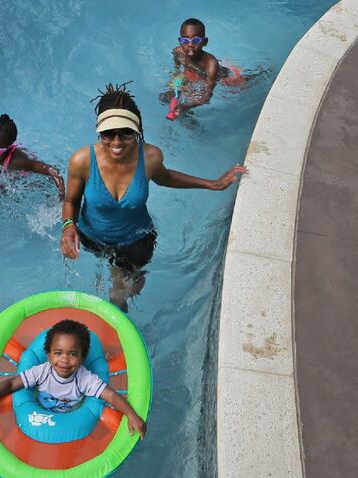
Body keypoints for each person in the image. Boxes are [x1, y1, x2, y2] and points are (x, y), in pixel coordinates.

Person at [60, 82, 246, 311]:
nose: (117, 142)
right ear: (99, 131)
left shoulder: (150, 157)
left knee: (127, 290)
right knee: (119, 283)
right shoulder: (82, 160)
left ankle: (119, 302)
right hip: (92, 238)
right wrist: (68, 226)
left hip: (137, 238)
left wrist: (212, 184)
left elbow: (165, 177)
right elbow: (71, 201)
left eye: (126, 133)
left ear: (137, 130)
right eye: (108, 134)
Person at [0, 319, 146, 478]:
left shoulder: (85, 379)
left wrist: (132, 414)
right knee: (29, 444)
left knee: (64, 453)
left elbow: (110, 394)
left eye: (73, 354)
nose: (65, 360)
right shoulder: (41, 372)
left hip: (71, 417)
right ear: (48, 355)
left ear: (83, 357)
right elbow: (11, 384)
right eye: (58, 353)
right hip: (40, 411)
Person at [162, 18, 260, 118]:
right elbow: (177, 69)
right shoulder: (178, 52)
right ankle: (181, 112)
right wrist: (176, 80)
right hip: (195, 75)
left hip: (223, 77)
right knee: (164, 97)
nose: (190, 45)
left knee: (246, 84)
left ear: (205, 42)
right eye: (185, 40)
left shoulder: (210, 63)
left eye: (196, 40)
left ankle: (261, 72)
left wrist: (184, 106)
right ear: (180, 42)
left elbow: (206, 96)